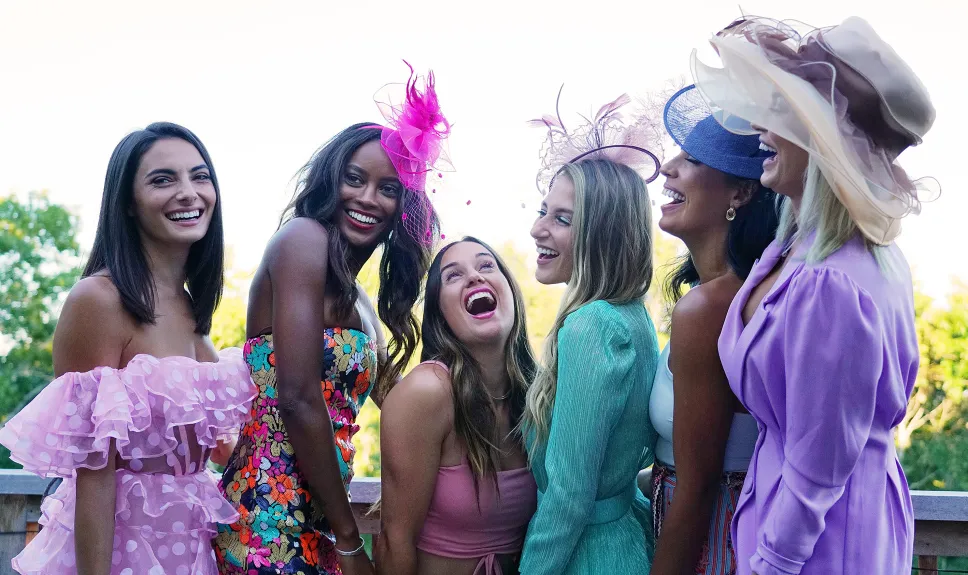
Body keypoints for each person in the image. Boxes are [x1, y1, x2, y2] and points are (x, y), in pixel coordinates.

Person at [691, 16, 937, 575]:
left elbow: (818, 466)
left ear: (823, 143)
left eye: (783, 116)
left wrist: (771, 565)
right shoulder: (802, 251)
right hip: (803, 521)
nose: (762, 129)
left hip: (820, 543)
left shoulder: (832, 282)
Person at [213, 63, 450, 575]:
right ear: (331, 180)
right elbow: (298, 398)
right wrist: (349, 541)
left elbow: (401, 404)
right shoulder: (303, 239)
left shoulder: (361, 298)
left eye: (388, 188)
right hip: (267, 525)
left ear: (404, 204)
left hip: (316, 523)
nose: (368, 198)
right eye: (355, 179)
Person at [0, 122, 255, 575]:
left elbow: (210, 445)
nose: (189, 192)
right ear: (128, 204)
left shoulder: (189, 306)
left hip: (194, 547)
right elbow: (93, 470)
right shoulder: (98, 300)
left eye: (200, 177)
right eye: (163, 180)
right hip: (123, 552)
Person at [518, 89, 661, 575]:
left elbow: (570, 495)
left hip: (586, 556)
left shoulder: (589, 327)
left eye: (562, 219)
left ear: (601, 233)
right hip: (625, 540)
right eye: (543, 210)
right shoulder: (633, 317)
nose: (539, 229)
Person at [649, 85, 780, 575]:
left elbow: (699, 486)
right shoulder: (735, 293)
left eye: (693, 160)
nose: (668, 169)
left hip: (714, 546)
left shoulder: (709, 309)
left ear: (741, 192)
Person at [377, 237, 537, 575]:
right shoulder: (427, 392)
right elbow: (394, 542)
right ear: (441, 315)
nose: (475, 278)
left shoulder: (538, 394)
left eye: (486, 265)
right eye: (453, 275)